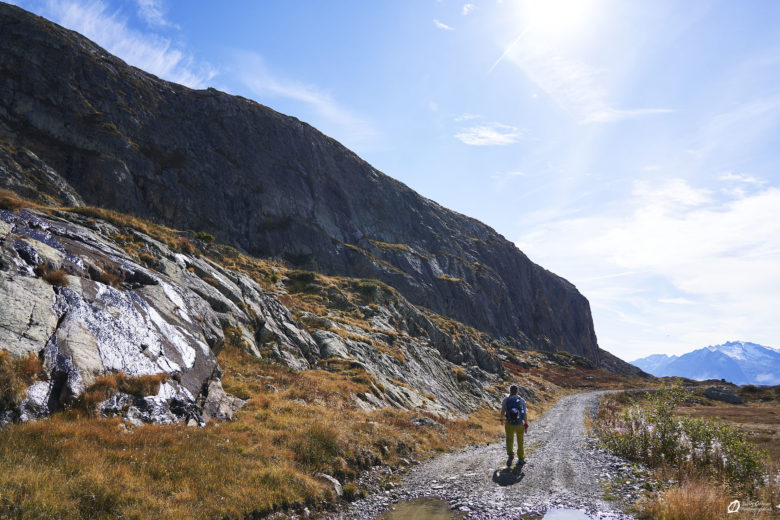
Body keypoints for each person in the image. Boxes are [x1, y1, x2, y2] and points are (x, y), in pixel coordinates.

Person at [499, 384, 528, 466]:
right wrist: (525, 425)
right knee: (520, 441)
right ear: (517, 391)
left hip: (509, 423)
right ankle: (521, 459)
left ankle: (511, 454)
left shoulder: (506, 399)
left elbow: (502, 411)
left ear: (510, 391)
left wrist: (502, 420)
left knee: (509, 439)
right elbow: (525, 414)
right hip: (519, 424)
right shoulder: (521, 400)